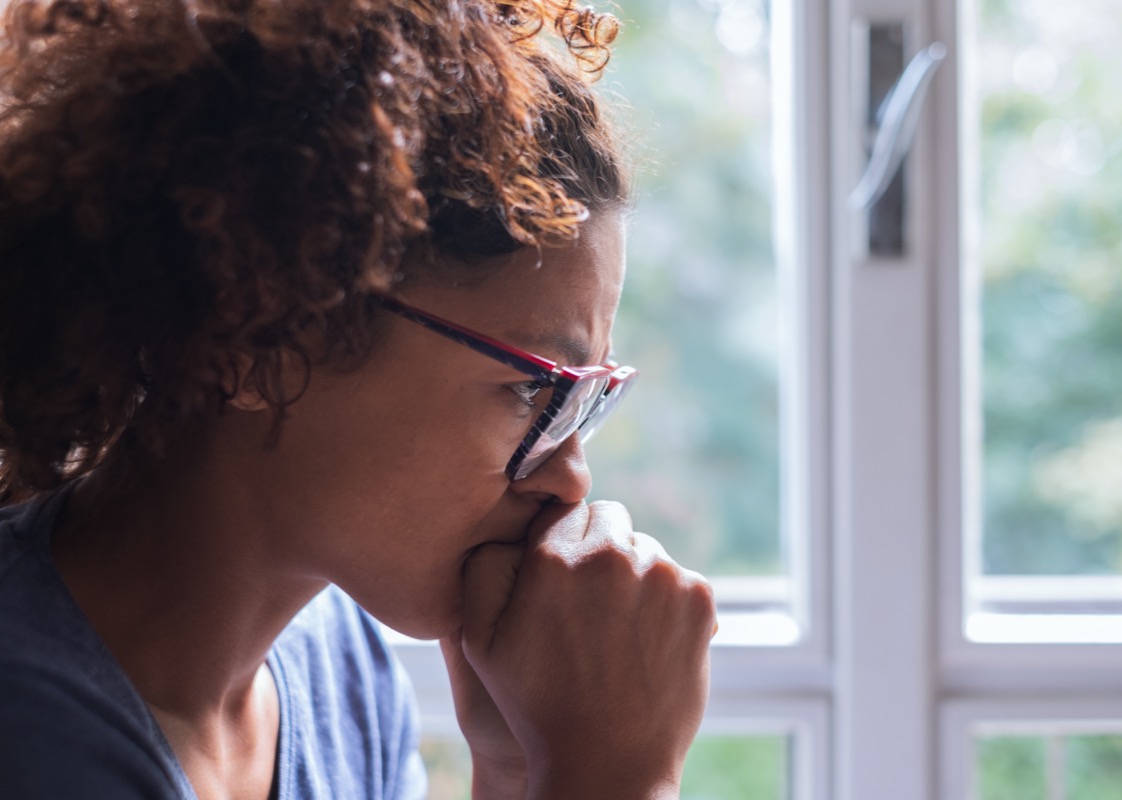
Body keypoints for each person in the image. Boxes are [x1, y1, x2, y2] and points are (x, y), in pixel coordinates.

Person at [0, 1, 717, 798]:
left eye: (585, 397)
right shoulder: (30, 731)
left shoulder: (335, 661)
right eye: (530, 386)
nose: (570, 478)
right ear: (259, 334)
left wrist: (518, 766)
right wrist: (613, 776)